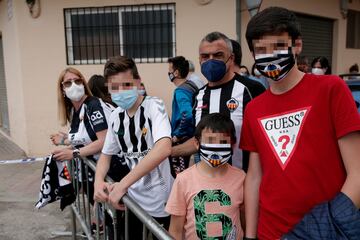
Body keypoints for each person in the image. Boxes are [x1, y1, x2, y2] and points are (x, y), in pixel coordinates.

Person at [241, 6, 360, 239]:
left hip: (325, 231)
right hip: (270, 232)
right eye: (261, 49)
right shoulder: (253, 109)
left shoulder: (331, 89)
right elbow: (254, 177)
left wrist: (328, 225)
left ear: (297, 45)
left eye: (278, 46)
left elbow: (357, 171)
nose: (269, 55)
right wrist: (251, 235)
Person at [93, 56, 174, 240]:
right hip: (132, 202)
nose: (121, 92)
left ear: (138, 82)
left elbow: (164, 148)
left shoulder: (154, 106)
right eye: (115, 87)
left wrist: (123, 184)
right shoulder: (115, 116)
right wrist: (98, 181)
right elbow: (105, 156)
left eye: (127, 85)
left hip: (161, 202)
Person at [171, 32, 265, 172]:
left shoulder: (252, 89)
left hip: (244, 182)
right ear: (199, 60)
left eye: (218, 55)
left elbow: (264, 139)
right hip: (209, 186)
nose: (210, 61)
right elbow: (198, 141)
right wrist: (168, 151)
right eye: (205, 57)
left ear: (231, 58)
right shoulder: (198, 96)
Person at [166, 113, 246, 240]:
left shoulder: (241, 178)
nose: (215, 148)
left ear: (233, 145)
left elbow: (244, 218)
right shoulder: (183, 180)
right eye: (210, 141)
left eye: (223, 142)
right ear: (197, 144)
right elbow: (175, 230)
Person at [168, 56, 197, 177]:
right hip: (190, 136)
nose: (168, 73)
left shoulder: (181, 91)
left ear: (176, 73)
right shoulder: (191, 86)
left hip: (182, 139)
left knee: (178, 175)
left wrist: (178, 135)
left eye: (169, 70)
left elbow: (187, 114)